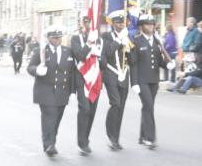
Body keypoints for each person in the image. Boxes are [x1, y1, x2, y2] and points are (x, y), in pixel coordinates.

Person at [130, 14, 176, 149]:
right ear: (141, 27)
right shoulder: (136, 41)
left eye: (152, 24)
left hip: (154, 80)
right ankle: (150, 138)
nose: (150, 26)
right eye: (147, 24)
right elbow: (134, 64)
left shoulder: (157, 41)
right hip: (142, 80)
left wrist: (167, 65)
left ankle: (142, 136)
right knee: (149, 106)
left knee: (147, 107)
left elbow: (158, 60)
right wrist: (134, 83)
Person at [27, 28, 74, 156]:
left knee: (56, 119)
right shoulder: (41, 52)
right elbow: (30, 67)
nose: (57, 40)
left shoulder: (68, 51)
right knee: (50, 116)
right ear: (48, 38)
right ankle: (49, 144)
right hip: (45, 90)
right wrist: (37, 69)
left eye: (59, 37)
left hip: (62, 91)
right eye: (54, 38)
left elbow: (72, 72)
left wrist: (73, 90)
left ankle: (50, 141)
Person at [71, 14, 105, 154]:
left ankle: (86, 138)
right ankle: (81, 142)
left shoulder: (101, 41)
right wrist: (89, 44)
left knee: (91, 111)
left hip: (95, 79)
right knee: (84, 109)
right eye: (87, 22)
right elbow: (79, 55)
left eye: (91, 22)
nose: (89, 25)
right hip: (80, 79)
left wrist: (98, 55)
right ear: (83, 24)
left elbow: (104, 64)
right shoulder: (76, 39)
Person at [102, 11, 135, 151]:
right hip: (111, 74)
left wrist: (127, 49)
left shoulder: (128, 37)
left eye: (122, 22)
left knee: (120, 107)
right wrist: (117, 41)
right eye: (117, 22)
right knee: (115, 103)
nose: (120, 25)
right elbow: (108, 52)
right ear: (112, 23)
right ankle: (111, 135)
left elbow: (133, 60)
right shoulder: (106, 36)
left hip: (123, 75)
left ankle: (116, 138)